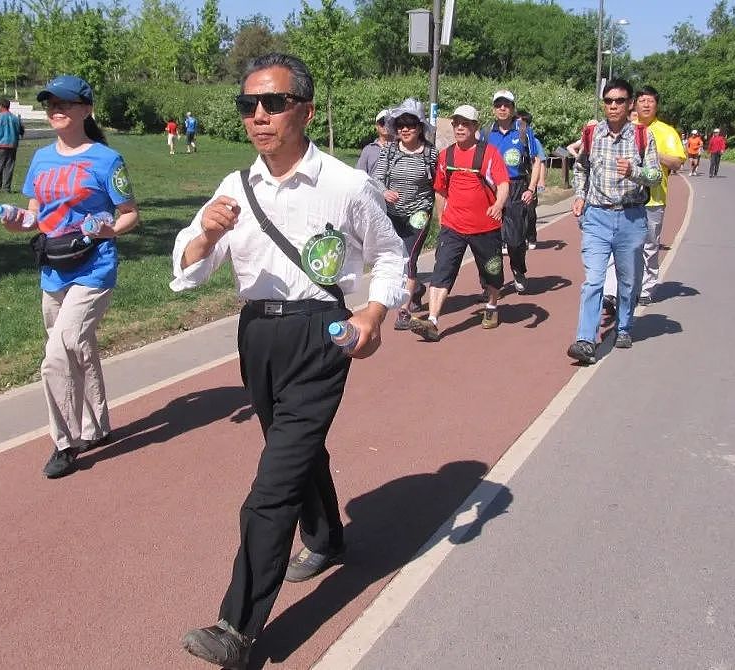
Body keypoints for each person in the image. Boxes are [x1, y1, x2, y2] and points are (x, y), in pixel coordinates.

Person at [173, 53, 406, 669]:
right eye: (248, 105)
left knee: (271, 486)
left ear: (303, 108)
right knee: (294, 449)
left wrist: (372, 316)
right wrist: (203, 236)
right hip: (258, 336)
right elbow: (191, 270)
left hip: (321, 333)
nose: (259, 116)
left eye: (273, 103)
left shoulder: (344, 184)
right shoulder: (234, 187)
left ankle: (238, 628)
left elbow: (390, 256)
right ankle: (327, 539)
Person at [0, 75, 140, 478]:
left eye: (65, 102)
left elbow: (129, 213)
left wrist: (107, 227)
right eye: (50, 103)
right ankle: (97, 426)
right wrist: (16, 221)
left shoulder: (105, 160)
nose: (56, 109)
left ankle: (65, 443)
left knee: (57, 356)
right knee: (78, 349)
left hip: (94, 269)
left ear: (85, 109)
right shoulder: (41, 157)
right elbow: (34, 216)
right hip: (53, 270)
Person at [567, 79, 661, 365]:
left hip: (631, 217)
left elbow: (656, 176)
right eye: (608, 101)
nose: (613, 106)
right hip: (597, 215)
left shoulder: (643, 137)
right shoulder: (591, 133)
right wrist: (580, 195)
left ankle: (623, 326)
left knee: (628, 280)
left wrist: (634, 171)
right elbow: (581, 166)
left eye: (619, 101)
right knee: (593, 279)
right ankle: (585, 339)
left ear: (630, 103)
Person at [409, 104, 509, 342]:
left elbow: (503, 184)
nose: (460, 128)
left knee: (492, 271)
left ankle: (492, 306)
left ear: (475, 127)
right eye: (456, 124)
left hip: (485, 226)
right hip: (453, 226)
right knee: (442, 271)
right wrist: (442, 218)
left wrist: (498, 205)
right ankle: (432, 321)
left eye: (465, 124)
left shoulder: (489, 153)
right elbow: (440, 190)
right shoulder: (446, 155)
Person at [603, 85, 685, 308]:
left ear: (656, 105)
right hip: (624, 198)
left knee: (649, 246)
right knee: (616, 244)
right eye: (642, 101)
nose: (646, 105)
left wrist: (652, 152)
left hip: (654, 199)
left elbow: (678, 162)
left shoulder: (666, 132)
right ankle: (610, 291)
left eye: (650, 101)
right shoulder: (626, 128)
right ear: (634, 105)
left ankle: (647, 287)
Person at [371, 97, 438, 329]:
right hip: (393, 214)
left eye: (410, 124)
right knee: (395, 259)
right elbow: (376, 178)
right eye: (400, 125)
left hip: (419, 213)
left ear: (420, 127)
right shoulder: (389, 151)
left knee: (409, 258)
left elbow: (438, 185)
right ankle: (417, 288)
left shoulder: (430, 154)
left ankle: (403, 310)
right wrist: (385, 191)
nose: (405, 129)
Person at [482, 90, 541, 293]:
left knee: (515, 241)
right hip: (491, 188)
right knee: (489, 241)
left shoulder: (523, 130)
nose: (502, 108)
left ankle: (518, 269)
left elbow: (536, 161)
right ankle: (489, 283)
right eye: (498, 105)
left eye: (506, 105)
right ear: (493, 109)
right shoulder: (486, 132)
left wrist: (531, 188)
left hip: (516, 187)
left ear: (513, 108)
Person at [517, 110, 547, 250]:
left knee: (529, 211)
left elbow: (540, 162)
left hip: (530, 180)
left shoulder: (533, 141)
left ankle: (531, 236)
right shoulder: (511, 138)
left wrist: (540, 180)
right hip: (515, 181)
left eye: (520, 122)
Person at [0, 98, 25, 192]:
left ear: (0, 106)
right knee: (9, 167)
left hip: (1, 145)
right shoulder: (15, 118)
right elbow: (21, 131)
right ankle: (7, 188)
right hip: (12, 145)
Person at [355, 109, 391, 174]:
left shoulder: (400, 148)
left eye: (389, 123)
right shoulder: (368, 150)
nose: (386, 126)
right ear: (377, 126)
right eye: (382, 123)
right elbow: (359, 174)